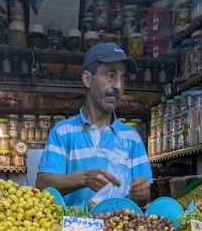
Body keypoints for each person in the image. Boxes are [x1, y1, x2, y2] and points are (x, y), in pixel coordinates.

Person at [36, 43, 152, 209]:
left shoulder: (131, 137)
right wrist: (84, 179)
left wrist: (142, 193)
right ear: (87, 79)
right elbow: (42, 185)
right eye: (110, 75)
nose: (118, 86)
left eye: (123, 79)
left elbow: (145, 196)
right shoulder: (63, 132)